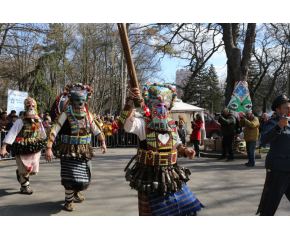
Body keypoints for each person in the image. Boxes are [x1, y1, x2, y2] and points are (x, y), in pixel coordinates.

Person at [119, 82, 203, 216]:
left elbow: (176, 144)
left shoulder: (171, 125)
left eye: (164, 106)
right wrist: (130, 102)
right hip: (148, 175)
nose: (162, 109)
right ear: (150, 106)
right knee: (151, 213)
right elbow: (127, 125)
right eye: (158, 106)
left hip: (171, 174)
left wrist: (184, 151)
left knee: (181, 208)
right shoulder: (143, 123)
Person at [45, 83, 107, 211]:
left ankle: (76, 191)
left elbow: (96, 129)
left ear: (85, 101)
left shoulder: (88, 114)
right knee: (70, 175)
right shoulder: (66, 113)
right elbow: (55, 129)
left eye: (82, 100)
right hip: (68, 149)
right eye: (77, 100)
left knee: (84, 175)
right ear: (71, 100)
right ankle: (68, 201)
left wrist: (103, 142)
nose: (80, 103)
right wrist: (48, 148)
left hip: (84, 150)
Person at [0, 97, 46, 194]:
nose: (31, 107)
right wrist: (4, 148)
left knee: (32, 169)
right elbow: (11, 133)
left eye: (33, 106)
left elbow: (43, 133)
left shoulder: (38, 121)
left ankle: (20, 174)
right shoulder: (20, 121)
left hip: (34, 147)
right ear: (25, 107)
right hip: (22, 147)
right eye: (29, 106)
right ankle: (25, 187)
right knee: (24, 168)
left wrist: (48, 147)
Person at [259, 94, 290, 216]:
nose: (289, 110)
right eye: (286, 108)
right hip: (279, 168)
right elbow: (264, 139)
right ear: (277, 110)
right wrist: (278, 127)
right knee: (270, 204)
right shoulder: (272, 123)